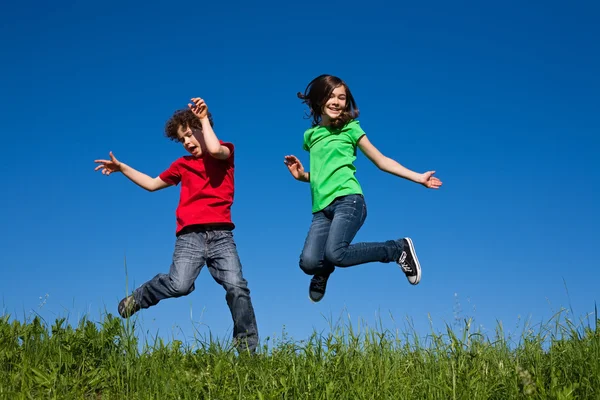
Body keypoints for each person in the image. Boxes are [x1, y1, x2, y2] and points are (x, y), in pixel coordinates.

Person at [94, 98, 258, 352]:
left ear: (204, 129)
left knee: (237, 287)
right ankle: (140, 297)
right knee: (179, 285)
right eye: (182, 139)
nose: (187, 142)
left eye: (190, 135)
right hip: (189, 237)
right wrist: (122, 168)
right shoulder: (182, 165)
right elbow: (151, 184)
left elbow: (214, 150)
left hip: (221, 236)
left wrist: (203, 118)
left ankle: (247, 350)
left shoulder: (224, 153)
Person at [284, 75, 443, 302]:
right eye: (331, 96)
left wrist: (418, 177)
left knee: (336, 253)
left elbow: (381, 161)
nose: (337, 102)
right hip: (321, 209)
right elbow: (321, 174)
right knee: (309, 263)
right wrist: (302, 176)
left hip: (349, 201)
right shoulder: (311, 136)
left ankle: (397, 249)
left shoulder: (350, 128)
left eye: (342, 98)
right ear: (318, 99)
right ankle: (323, 271)